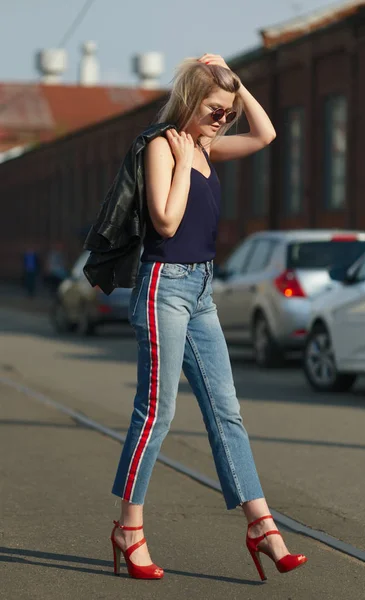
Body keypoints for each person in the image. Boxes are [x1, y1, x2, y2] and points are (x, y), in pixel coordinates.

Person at [110, 53, 307, 581]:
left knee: (227, 412)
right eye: (215, 109)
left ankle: (261, 526)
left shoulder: (205, 145)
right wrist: (177, 161)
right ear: (190, 102)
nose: (224, 119)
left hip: (201, 289)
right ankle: (129, 530)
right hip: (163, 288)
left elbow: (265, 135)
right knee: (157, 412)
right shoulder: (162, 144)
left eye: (227, 111)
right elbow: (166, 221)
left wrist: (238, 85)